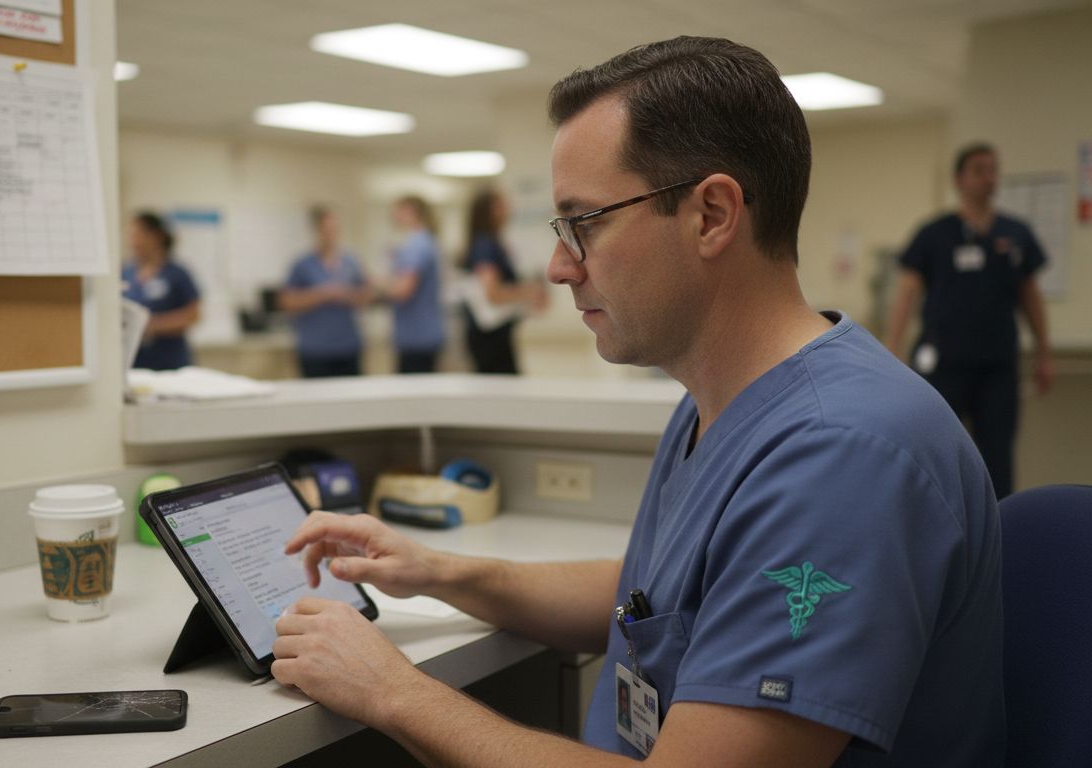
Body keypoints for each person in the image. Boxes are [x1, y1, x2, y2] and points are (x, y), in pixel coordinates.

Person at [269, 37, 1003, 768]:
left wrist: (394, 691)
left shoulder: (841, 454)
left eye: (583, 223)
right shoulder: (720, 399)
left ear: (712, 214)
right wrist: (442, 571)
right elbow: (657, 601)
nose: (559, 267)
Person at [885, 143, 1054, 499]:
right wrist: (891, 351)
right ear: (959, 179)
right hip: (944, 363)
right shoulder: (934, 234)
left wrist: (1044, 351)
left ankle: (999, 535)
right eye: (979, 169)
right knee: (935, 449)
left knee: (997, 458)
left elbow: (1030, 297)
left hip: (997, 365)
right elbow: (907, 294)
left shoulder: (1015, 233)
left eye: (993, 169)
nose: (988, 177)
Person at [278, 206, 374, 378]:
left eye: (334, 229)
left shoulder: (351, 262)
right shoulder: (303, 265)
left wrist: (349, 295)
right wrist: (323, 294)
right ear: (317, 231)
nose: (331, 234)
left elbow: (366, 296)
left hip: (348, 348)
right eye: (326, 230)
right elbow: (286, 301)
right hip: (315, 351)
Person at [459, 189, 548, 374]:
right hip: (489, 337)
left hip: (497, 334)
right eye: (501, 205)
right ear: (490, 211)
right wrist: (530, 291)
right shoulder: (485, 244)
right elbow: (493, 294)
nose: (508, 209)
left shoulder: (493, 242)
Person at [121, 212, 202, 370]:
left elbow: (194, 315)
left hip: (171, 362)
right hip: (135, 362)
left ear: (155, 236)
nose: (133, 242)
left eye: (137, 235)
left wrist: (152, 325)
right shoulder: (126, 272)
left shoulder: (177, 273)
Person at [383, 195, 446, 373]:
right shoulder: (425, 241)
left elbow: (404, 289)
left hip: (417, 338)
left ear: (410, 211)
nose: (393, 216)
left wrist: (376, 288)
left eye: (397, 210)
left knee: (413, 394)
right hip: (422, 334)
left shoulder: (416, 244)